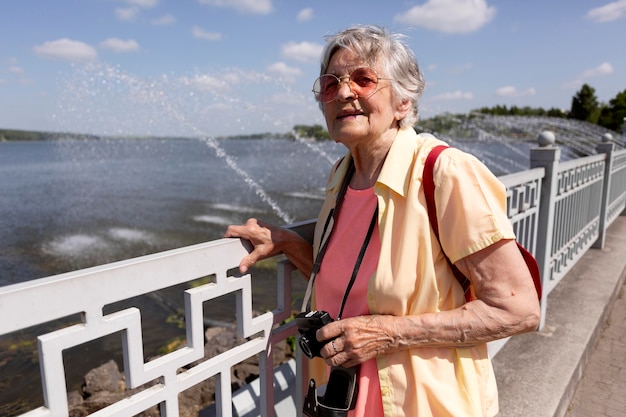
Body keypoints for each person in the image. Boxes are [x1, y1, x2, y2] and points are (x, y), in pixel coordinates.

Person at [224, 25, 540, 417]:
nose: (343, 92)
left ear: (403, 102)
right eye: (330, 84)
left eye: (363, 79)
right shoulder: (341, 177)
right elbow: (352, 285)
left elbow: (519, 309)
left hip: (424, 404)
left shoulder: (446, 173)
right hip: (342, 400)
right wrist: (289, 243)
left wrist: (386, 333)